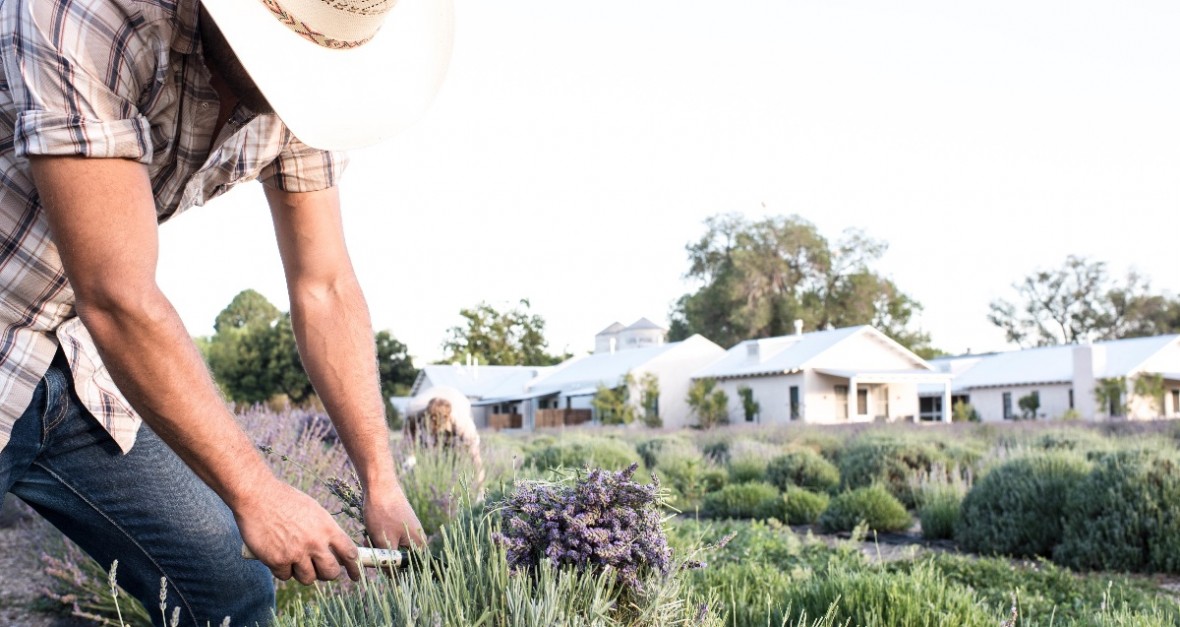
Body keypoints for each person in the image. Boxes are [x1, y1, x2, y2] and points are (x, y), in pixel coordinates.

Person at [0, 0, 451, 624]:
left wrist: (382, 480)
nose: (305, 77)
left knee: (228, 585)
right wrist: (258, 493)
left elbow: (325, 287)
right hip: (36, 326)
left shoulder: (308, 91)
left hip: (71, 354)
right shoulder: (88, 15)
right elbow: (118, 295)